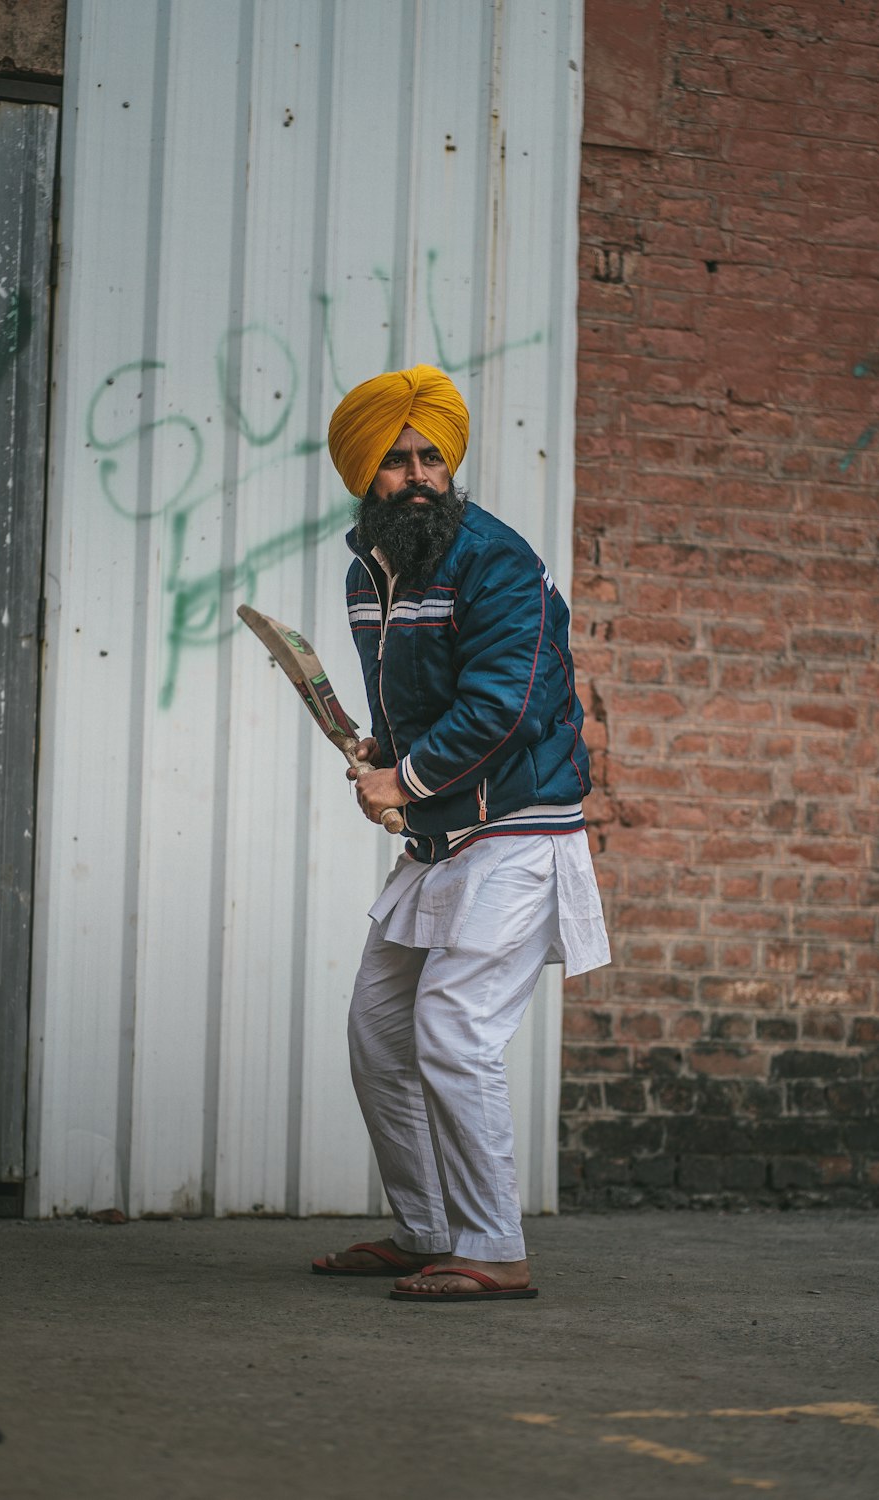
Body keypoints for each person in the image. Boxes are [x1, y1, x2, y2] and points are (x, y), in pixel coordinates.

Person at [313, 364, 610, 1302]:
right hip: (445, 838)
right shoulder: (372, 565)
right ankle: (426, 1228)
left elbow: (504, 706)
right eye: (395, 460)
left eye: (429, 455)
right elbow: (414, 695)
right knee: (379, 1030)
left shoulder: (498, 559)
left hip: (524, 829)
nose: (416, 474)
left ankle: (496, 1248)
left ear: (451, 463)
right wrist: (381, 749)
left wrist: (404, 777)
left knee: (452, 1026)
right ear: (366, 474)